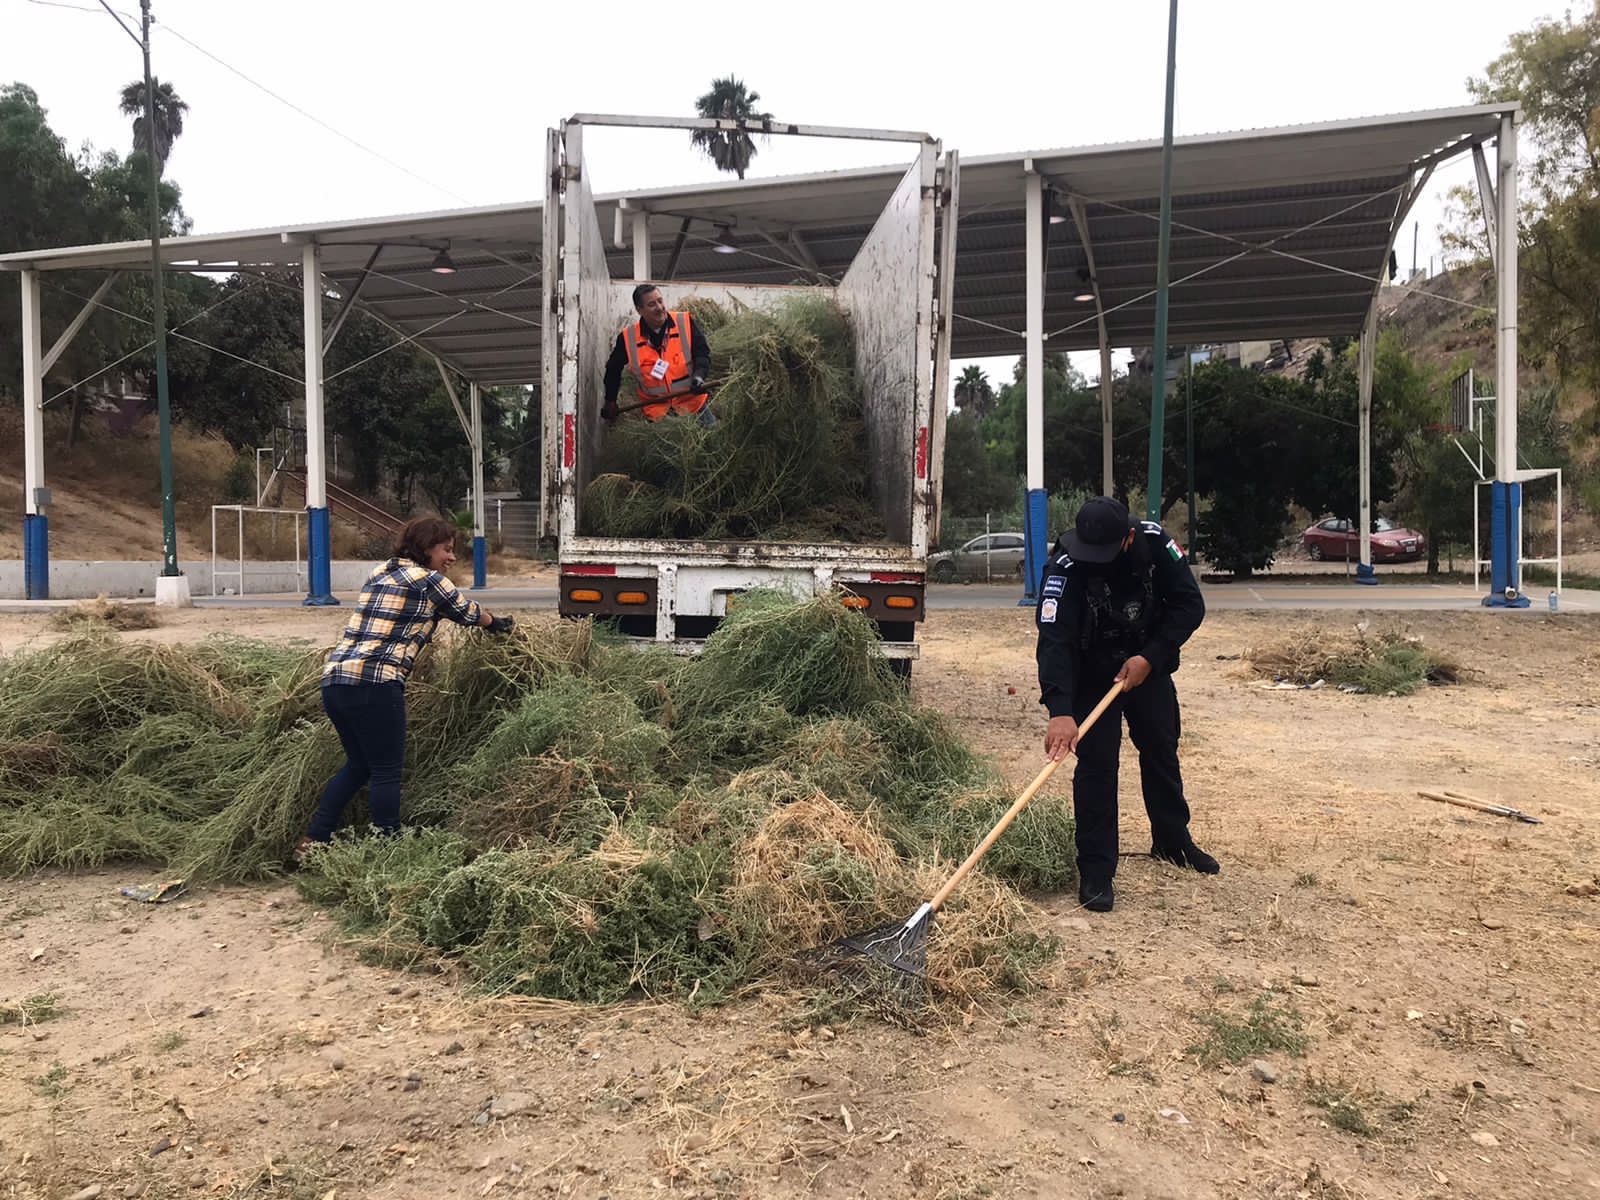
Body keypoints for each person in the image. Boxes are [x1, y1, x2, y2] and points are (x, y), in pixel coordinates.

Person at [1035, 496, 1215, 912]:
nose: (1093, 561)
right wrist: (1060, 710)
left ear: (1128, 537)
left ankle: (1173, 841)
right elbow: (1054, 640)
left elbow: (1190, 606)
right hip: (1092, 672)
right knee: (1098, 766)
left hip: (1145, 663)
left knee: (1160, 747)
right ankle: (1096, 869)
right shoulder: (1065, 565)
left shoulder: (1155, 546)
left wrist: (1151, 657)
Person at [295, 515, 514, 857]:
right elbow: (468, 612)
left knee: (358, 766)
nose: (451, 558)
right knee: (386, 770)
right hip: (376, 683)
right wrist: (499, 624)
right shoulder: (430, 581)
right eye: (446, 549)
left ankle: (314, 839)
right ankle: (389, 849)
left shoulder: (379, 572)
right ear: (426, 548)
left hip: (336, 680)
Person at [601, 283, 712, 424]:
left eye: (660, 301)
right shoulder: (628, 338)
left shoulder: (684, 322)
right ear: (639, 310)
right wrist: (610, 401)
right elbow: (613, 370)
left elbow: (702, 352)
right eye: (652, 304)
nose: (659, 308)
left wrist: (699, 375)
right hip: (658, 412)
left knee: (714, 439)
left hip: (692, 404)